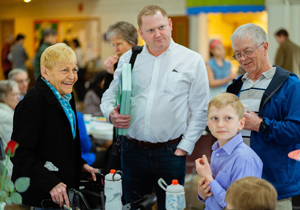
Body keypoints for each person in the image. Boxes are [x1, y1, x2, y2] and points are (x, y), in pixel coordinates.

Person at [100, 5, 209, 209]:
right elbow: (108, 96)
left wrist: (185, 146)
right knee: (132, 206)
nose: (157, 34)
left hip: (171, 152)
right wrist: (110, 114)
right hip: (132, 150)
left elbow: (200, 110)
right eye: (150, 30)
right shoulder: (129, 59)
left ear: (169, 25)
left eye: (161, 27)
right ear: (141, 33)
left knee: (171, 207)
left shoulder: (191, 60)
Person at [11, 43, 98, 208]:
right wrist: (50, 182)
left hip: (61, 193)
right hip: (41, 196)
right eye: (64, 70)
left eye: (74, 69)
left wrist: (79, 164)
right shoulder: (34, 101)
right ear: (45, 72)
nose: (72, 76)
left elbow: (60, 144)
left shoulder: (65, 96)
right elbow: (20, 154)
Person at [227, 23, 300, 210]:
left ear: (265, 47)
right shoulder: (235, 87)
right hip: (239, 185)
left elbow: (297, 131)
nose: (243, 59)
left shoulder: (290, 85)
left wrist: (261, 125)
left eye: (248, 51)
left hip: (274, 188)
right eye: (237, 54)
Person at [195, 92, 262, 210]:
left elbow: (239, 205)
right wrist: (203, 194)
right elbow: (213, 197)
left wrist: (209, 179)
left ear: (241, 124)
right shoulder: (217, 151)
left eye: (228, 118)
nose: (220, 124)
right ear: (208, 124)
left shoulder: (244, 158)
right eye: (214, 118)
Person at [103, 21, 138, 91]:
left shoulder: (142, 60)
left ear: (132, 42)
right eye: (112, 45)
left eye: (119, 44)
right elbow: (106, 95)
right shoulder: (116, 64)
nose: (116, 49)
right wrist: (110, 73)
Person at [0, 80, 20, 177]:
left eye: (18, 94)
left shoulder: (6, 112)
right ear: (3, 97)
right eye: (14, 94)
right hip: (8, 168)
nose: (18, 97)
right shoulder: (5, 116)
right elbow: (12, 143)